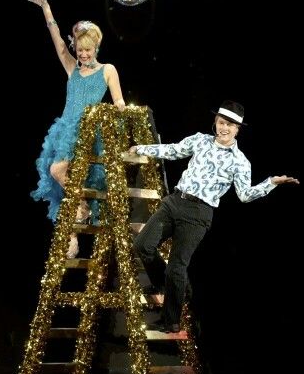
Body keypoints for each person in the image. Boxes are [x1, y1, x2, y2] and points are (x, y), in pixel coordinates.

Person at [128, 100, 299, 333]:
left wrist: (271, 183)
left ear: (238, 129)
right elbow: (172, 150)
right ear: (215, 122)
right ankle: (168, 286)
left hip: (199, 214)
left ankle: (171, 321)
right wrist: (141, 148)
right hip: (175, 202)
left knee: (177, 266)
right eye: (221, 122)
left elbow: (245, 195)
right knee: (142, 245)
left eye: (229, 125)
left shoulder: (240, 162)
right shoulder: (200, 140)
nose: (223, 128)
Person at [28, 0, 126, 258]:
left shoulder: (107, 70)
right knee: (60, 184)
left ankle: (82, 205)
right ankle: (72, 235)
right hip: (66, 131)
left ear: (96, 47)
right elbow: (57, 40)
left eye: (88, 49)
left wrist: (119, 108)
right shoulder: (72, 68)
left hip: (89, 131)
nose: (83, 54)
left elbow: (118, 100)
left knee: (59, 172)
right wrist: (46, 8)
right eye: (80, 49)